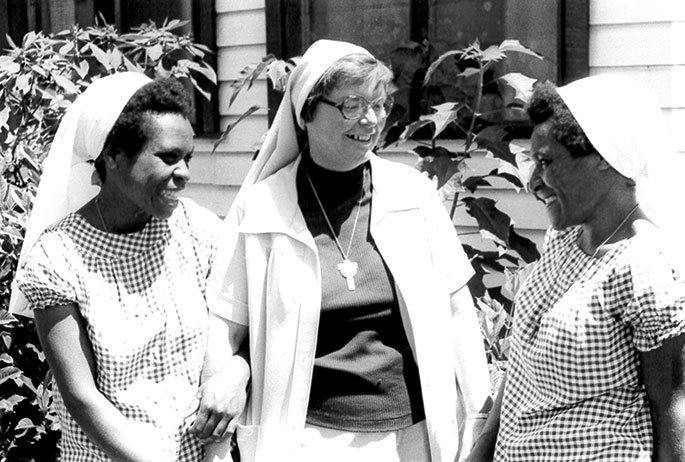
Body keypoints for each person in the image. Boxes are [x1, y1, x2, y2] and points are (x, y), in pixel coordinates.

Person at [204, 39, 492, 462]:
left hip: (414, 436)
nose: (371, 119)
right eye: (353, 104)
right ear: (306, 112)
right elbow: (227, 326)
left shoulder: (412, 194)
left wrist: (481, 422)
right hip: (306, 438)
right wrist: (217, 439)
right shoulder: (263, 207)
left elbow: (456, 312)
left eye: (379, 104)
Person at [11, 72, 248, 462]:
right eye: (168, 157)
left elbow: (242, 330)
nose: (185, 173)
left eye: (187, 158)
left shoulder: (200, 231)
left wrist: (237, 372)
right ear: (114, 156)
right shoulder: (58, 257)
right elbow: (81, 397)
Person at [467, 75, 685, 462]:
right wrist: (481, 451)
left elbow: (671, 407)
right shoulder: (564, 239)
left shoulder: (645, 267)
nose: (533, 181)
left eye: (547, 162)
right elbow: (520, 368)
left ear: (605, 157)